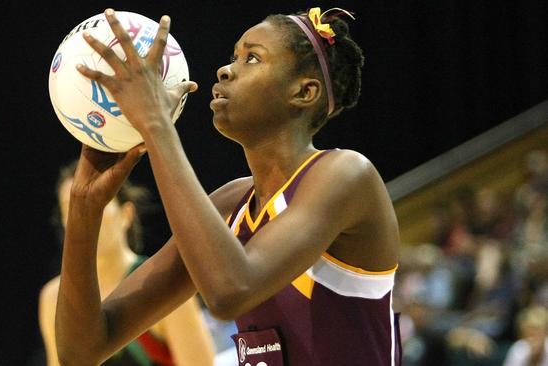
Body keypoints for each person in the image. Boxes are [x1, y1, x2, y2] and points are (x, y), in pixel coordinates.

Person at [56, 6, 400, 366]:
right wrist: (84, 207)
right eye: (233, 56)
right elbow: (81, 352)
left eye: (252, 58)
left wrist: (157, 126)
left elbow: (232, 291)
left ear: (304, 92)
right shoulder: (230, 204)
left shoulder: (347, 175)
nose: (226, 69)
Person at [38, 161, 215, 365]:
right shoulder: (53, 298)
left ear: (126, 214)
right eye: (70, 209)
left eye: (96, 203)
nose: (84, 218)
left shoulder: (161, 281)